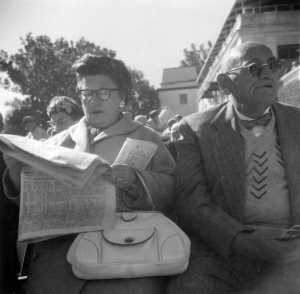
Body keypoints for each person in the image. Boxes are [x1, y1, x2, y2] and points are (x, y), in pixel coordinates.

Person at [3, 54, 175, 294]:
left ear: (122, 97)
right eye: (86, 94)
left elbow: (172, 189)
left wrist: (136, 181)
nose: (93, 101)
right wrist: (15, 172)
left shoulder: (146, 137)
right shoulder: (56, 141)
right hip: (60, 259)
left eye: (103, 92)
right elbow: (29, 203)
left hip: (126, 254)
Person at [168, 42, 300, 294]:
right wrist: (243, 241)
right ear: (224, 83)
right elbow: (193, 203)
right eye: (253, 68)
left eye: (272, 66)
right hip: (226, 252)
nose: (268, 74)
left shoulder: (298, 122)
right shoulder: (196, 130)